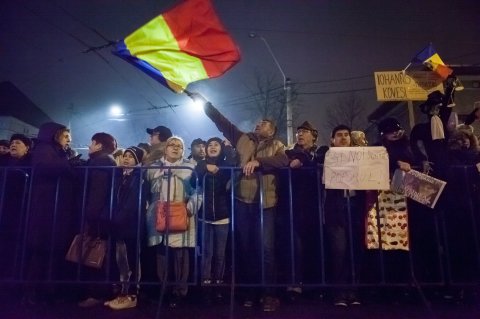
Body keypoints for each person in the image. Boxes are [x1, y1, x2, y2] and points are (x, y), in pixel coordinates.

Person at [188, 92, 288, 312]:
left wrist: (258, 162)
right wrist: (204, 102)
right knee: (246, 248)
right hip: (242, 201)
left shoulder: (278, 145)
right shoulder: (242, 139)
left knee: (266, 249)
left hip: (266, 203)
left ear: (272, 130)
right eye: (258, 122)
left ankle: (269, 294)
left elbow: (283, 160)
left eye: (265, 123)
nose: (260, 124)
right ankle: (249, 292)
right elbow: (220, 120)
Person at [145, 136, 201, 308]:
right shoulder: (154, 167)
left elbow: (198, 190)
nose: (175, 148)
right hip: (160, 215)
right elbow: (150, 189)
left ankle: (180, 292)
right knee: (162, 253)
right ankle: (164, 290)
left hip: (181, 214)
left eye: (179, 146)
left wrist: (191, 207)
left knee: (181, 254)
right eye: (172, 145)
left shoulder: (191, 167)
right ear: (165, 148)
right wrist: (162, 174)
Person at [26, 123, 77, 304]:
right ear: (54, 135)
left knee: (52, 250)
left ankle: (48, 289)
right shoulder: (44, 149)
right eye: (65, 136)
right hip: (45, 209)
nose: (69, 140)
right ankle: (35, 291)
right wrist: (68, 161)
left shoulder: (55, 151)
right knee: (41, 250)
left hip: (56, 209)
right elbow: (51, 167)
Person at [317, 125, 363, 307]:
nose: (343, 138)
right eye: (339, 135)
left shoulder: (360, 156)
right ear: (332, 139)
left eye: (346, 135)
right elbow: (318, 159)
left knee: (355, 250)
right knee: (339, 250)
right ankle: (339, 292)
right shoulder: (326, 154)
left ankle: (354, 291)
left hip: (355, 206)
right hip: (336, 208)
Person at [281, 121, 321, 301]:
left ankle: (315, 285)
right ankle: (294, 285)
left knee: (315, 246)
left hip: (315, 207)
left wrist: (305, 158)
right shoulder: (290, 153)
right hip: (293, 206)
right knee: (294, 247)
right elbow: (288, 162)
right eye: (298, 132)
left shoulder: (320, 153)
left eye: (304, 132)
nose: (300, 135)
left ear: (313, 135)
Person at [77, 132, 118, 307]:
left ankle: (97, 294)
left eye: (91, 143)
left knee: (95, 256)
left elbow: (98, 193)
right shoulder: (105, 161)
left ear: (99, 145)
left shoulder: (101, 162)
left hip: (98, 218)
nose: (89, 146)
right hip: (102, 216)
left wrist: (90, 216)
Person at [194, 137, 237, 303]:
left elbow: (233, 164)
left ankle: (218, 285)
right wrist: (206, 166)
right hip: (204, 217)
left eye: (216, 145)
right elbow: (197, 171)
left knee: (220, 254)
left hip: (222, 216)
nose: (212, 147)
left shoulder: (226, 165)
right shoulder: (201, 164)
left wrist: (227, 148)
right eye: (209, 145)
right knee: (207, 253)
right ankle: (205, 285)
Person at [104, 146, 147, 310]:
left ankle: (131, 294)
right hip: (118, 224)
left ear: (138, 160)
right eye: (125, 155)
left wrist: (119, 217)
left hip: (131, 224)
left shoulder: (139, 176)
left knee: (132, 260)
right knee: (120, 259)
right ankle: (122, 292)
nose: (126, 158)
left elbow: (133, 202)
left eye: (131, 156)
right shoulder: (120, 175)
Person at [0, 134, 32, 280]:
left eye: (18, 143)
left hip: (21, 210)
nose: (13, 145)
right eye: (12, 142)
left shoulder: (31, 163)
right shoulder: (4, 161)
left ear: (27, 148)